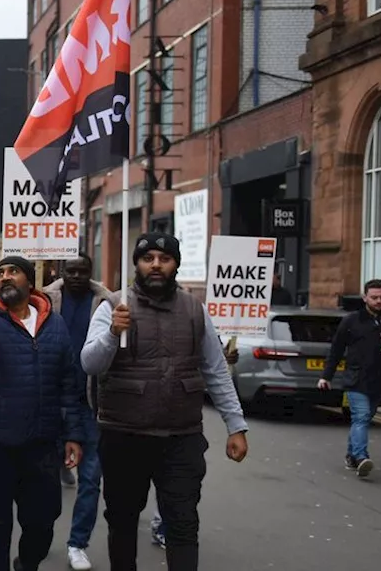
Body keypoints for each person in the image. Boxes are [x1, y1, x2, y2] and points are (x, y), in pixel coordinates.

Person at [83, 232, 249, 571]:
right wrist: (113, 334)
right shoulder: (113, 306)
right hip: (124, 435)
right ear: (137, 264)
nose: (156, 265)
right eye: (148, 258)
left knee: (183, 522)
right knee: (123, 521)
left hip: (181, 437)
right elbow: (89, 363)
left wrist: (236, 426)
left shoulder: (194, 310)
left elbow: (216, 371)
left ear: (176, 264)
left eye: (164, 258)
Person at [0, 256, 85, 571]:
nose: (4, 277)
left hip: (41, 444)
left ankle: (27, 563)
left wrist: (73, 433)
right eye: (0, 273)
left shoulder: (54, 324)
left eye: (13, 271)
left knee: (43, 520)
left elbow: (67, 381)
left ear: (30, 282)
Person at [43, 255, 114, 570]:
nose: (76, 276)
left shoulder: (106, 302)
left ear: (90, 273)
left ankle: (77, 543)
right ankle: (40, 536)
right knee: (41, 481)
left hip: (91, 402)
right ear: (61, 272)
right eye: (70, 270)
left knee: (91, 479)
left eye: (82, 271)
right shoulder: (44, 300)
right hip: (50, 399)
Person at [318, 278, 381, 479]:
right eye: (374, 297)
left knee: (365, 419)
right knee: (360, 418)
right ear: (364, 298)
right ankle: (362, 457)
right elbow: (336, 349)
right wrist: (326, 376)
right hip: (356, 379)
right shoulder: (351, 321)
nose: (379, 301)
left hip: (380, 381)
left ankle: (351, 456)